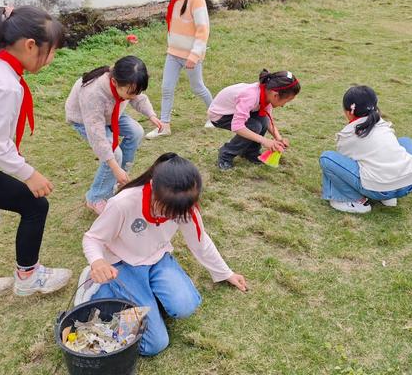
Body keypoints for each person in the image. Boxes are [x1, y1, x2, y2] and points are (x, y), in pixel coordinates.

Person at [75, 153, 247, 356]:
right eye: (168, 209)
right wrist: (98, 262)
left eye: (178, 211)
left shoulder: (183, 205)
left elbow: (200, 242)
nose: (173, 216)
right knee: (154, 344)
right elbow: (92, 238)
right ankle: (98, 288)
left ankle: (144, 298)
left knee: (185, 306)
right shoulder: (123, 203)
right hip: (121, 265)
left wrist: (226, 273)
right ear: (153, 188)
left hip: (157, 260)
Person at [0, 5, 72, 302]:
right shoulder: (7, 85)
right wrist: (28, 174)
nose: (52, 58)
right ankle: (28, 276)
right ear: (30, 45)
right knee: (35, 206)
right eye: (51, 51)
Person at [65, 55, 162, 215]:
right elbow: (97, 136)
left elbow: (138, 97)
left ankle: (119, 179)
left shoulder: (126, 83)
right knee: (114, 155)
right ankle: (95, 197)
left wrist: (151, 115)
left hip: (111, 115)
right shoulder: (93, 94)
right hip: (85, 120)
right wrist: (114, 166)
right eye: (129, 93)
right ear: (115, 82)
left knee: (136, 132)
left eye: (135, 92)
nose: (132, 96)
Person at [319, 85, 412, 214]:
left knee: (327, 158)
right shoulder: (383, 124)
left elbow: (345, 165)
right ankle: (390, 197)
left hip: (379, 188)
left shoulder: (348, 134)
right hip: (409, 184)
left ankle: (356, 201)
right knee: (406, 142)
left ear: (349, 111)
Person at [145, 0, 213, 139]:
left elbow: (203, 29)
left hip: (191, 55)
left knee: (198, 87)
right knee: (166, 88)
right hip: (173, 53)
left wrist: (194, 55)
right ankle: (164, 125)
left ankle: (215, 115)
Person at [208, 69, 300, 170]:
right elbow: (237, 126)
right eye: (285, 101)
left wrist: (279, 139)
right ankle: (226, 155)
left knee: (263, 120)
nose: (283, 105)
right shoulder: (250, 96)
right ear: (275, 95)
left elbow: (268, 120)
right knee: (254, 126)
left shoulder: (267, 92)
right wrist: (265, 141)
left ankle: (250, 152)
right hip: (220, 115)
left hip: (234, 112)